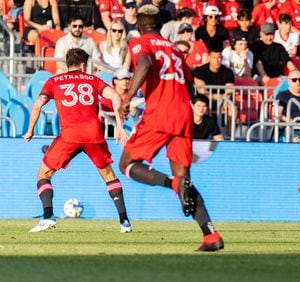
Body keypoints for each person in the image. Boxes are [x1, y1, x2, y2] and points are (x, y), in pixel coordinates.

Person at [119, 5, 223, 251]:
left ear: (140, 26)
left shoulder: (140, 42)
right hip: (183, 112)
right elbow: (190, 87)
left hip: (160, 113)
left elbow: (143, 64)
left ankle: (172, 184)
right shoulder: (175, 49)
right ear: (159, 25)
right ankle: (211, 235)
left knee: (126, 164)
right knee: (185, 179)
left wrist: (128, 97)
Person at [23, 48, 131, 233]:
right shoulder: (93, 80)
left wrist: (30, 129)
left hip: (70, 135)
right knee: (109, 177)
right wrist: (119, 127)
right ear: (83, 65)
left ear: (68, 64)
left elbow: (38, 104)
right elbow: (114, 96)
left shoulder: (53, 81)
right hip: (93, 135)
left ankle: (48, 216)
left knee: (43, 175)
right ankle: (124, 222)